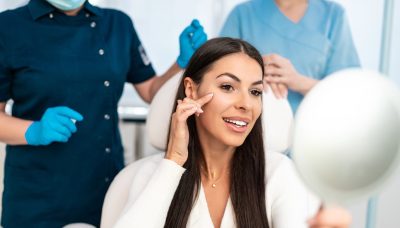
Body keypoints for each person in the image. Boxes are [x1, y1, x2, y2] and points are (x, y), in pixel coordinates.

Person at [0, 0, 207, 227]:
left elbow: (150, 91)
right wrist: (34, 130)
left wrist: (182, 63)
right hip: (37, 198)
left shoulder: (117, 24)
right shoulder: (9, 27)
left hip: (105, 188)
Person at [112, 37, 351, 228]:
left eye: (255, 92)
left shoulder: (279, 174)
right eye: (228, 86)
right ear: (191, 91)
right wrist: (173, 161)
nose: (246, 104)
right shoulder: (149, 175)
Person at [220, 0, 360, 113]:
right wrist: (252, 71)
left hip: (314, 134)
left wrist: (299, 82)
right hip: (250, 131)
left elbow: (347, 93)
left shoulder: (333, 16)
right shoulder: (242, 14)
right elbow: (219, 76)